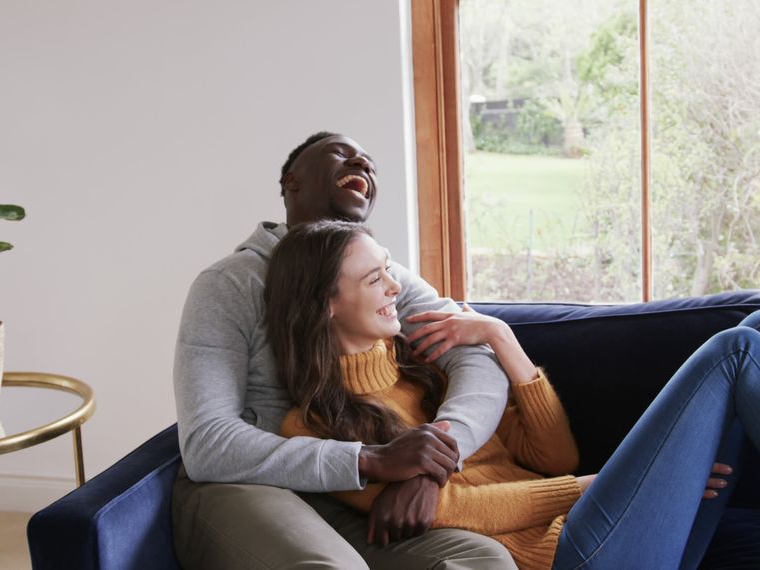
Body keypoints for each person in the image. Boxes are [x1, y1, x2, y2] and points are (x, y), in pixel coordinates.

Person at [265, 220, 760, 570]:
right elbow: (451, 511)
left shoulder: (427, 370)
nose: (397, 288)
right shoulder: (312, 427)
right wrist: (611, 485)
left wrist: (502, 341)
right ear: (325, 304)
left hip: (605, 533)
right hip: (568, 559)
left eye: (390, 270)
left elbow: (554, 457)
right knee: (739, 350)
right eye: (375, 279)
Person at [171, 132, 517, 568]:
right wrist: (368, 460)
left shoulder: (381, 275)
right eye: (341, 153)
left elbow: (473, 357)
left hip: (349, 491)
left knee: (480, 560)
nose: (361, 163)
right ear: (291, 182)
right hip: (250, 483)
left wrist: (435, 461)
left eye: (369, 161)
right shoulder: (230, 284)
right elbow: (207, 443)